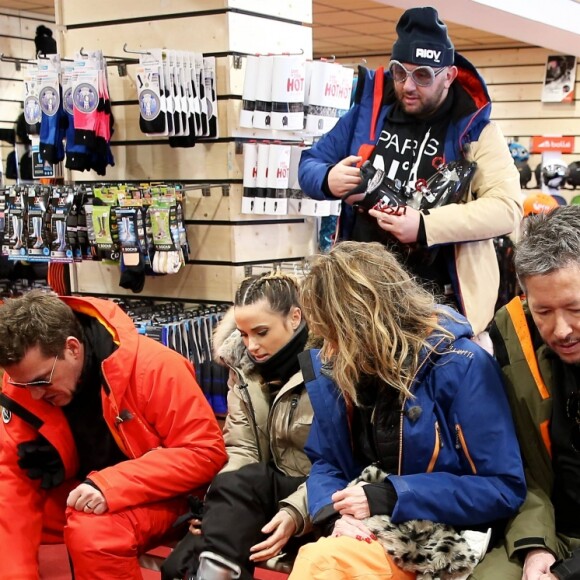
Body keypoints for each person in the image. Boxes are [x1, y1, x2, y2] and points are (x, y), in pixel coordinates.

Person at [286, 241, 526, 579]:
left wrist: (393, 495)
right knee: (322, 558)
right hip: (366, 529)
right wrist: (332, 514)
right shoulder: (341, 369)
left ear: (364, 323)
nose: (327, 351)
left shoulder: (462, 366)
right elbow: (327, 460)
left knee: (323, 564)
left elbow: (503, 487)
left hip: (442, 536)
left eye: (334, 334)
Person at [298, 6, 522, 337]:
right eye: (400, 72)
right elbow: (310, 163)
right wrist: (328, 179)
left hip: (442, 310)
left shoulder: (475, 131)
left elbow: (507, 209)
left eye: (422, 75)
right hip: (362, 302)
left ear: (449, 76)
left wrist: (424, 226)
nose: (408, 86)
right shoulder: (369, 115)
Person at [0, 290, 227, 580]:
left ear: (73, 348)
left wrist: (109, 484)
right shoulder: (26, 379)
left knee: (92, 533)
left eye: (41, 381)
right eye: (24, 385)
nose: (34, 394)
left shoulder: (154, 366)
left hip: (168, 494)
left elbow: (205, 452)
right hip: (83, 492)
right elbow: (12, 486)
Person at [161, 271, 315, 580]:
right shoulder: (243, 370)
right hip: (260, 493)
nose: (252, 345)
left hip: (317, 496)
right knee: (179, 566)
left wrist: (294, 511)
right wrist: (216, 508)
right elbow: (241, 449)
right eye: (244, 334)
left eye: (261, 332)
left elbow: (338, 467)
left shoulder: (327, 365)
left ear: (295, 317)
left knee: (243, 492)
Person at [473, 205, 580, 580]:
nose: (562, 329)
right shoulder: (509, 340)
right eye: (543, 311)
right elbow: (518, 469)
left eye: (575, 308)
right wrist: (536, 547)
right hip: (548, 525)